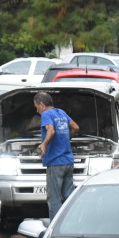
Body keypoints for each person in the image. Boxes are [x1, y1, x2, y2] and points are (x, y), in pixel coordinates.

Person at [34, 92, 79, 221]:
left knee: (54, 198)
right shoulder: (61, 112)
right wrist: (65, 139)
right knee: (68, 196)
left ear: (42, 105)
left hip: (55, 162)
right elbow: (75, 127)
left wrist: (44, 144)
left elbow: (51, 130)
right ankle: (73, 223)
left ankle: (55, 229)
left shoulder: (46, 114)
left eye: (36, 106)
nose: (37, 110)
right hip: (68, 161)